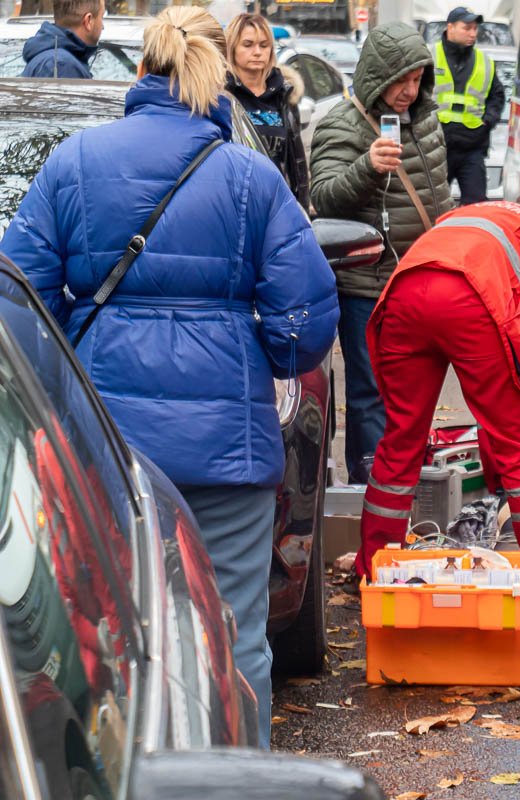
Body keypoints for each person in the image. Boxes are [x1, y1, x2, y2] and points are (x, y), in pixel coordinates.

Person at [1, 5, 339, 748]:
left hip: (106, 455)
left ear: (143, 73)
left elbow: (15, 297)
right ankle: (235, 783)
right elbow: (307, 320)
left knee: (104, 640)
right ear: (215, 78)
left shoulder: (76, 164)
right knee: (237, 637)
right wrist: (254, 355)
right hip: (227, 457)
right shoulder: (250, 178)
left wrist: (63, 387)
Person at [357, 197, 520, 615]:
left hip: (404, 294)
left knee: (400, 441)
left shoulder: (465, 215)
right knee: (518, 447)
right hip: (471, 298)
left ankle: (374, 568)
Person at [310, 21, 451, 484]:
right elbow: (325, 199)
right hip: (366, 286)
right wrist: (367, 168)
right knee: (371, 393)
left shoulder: (427, 119)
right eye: (401, 80)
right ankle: (371, 490)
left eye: (417, 79)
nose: (410, 91)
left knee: (416, 389)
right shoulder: (340, 123)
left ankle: (410, 483)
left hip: (422, 281)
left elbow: (439, 196)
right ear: (377, 75)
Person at [225, 13, 310, 210]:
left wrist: (302, 209)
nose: (257, 52)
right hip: (233, 204)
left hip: (276, 204)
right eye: (248, 44)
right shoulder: (221, 96)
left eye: (264, 45)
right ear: (232, 48)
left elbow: (297, 163)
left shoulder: (284, 96)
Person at [434, 6, 505, 204]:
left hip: (471, 147)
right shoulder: (429, 56)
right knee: (432, 206)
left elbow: (497, 97)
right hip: (437, 148)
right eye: (467, 28)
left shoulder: (485, 62)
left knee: (477, 207)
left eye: (475, 29)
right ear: (450, 27)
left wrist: (487, 121)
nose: (473, 33)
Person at [21, 0, 104, 78]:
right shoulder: (63, 65)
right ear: (88, 21)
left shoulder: (54, 58)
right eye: (101, 17)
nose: (102, 27)